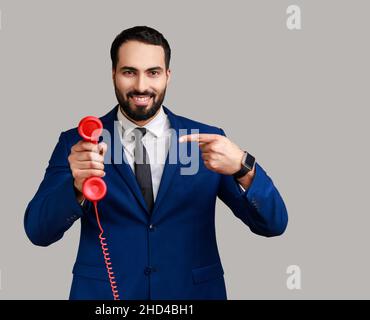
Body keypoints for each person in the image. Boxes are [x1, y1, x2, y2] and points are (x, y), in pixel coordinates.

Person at [24, 26, 288, 300]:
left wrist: (243, 167)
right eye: (129, 72)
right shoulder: (77, 142)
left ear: (168, 76)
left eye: (153, 72)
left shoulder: (206, 141)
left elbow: (273, 224)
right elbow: (38, 232)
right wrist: (76, 188)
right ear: (113, 74)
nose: (141, 86)